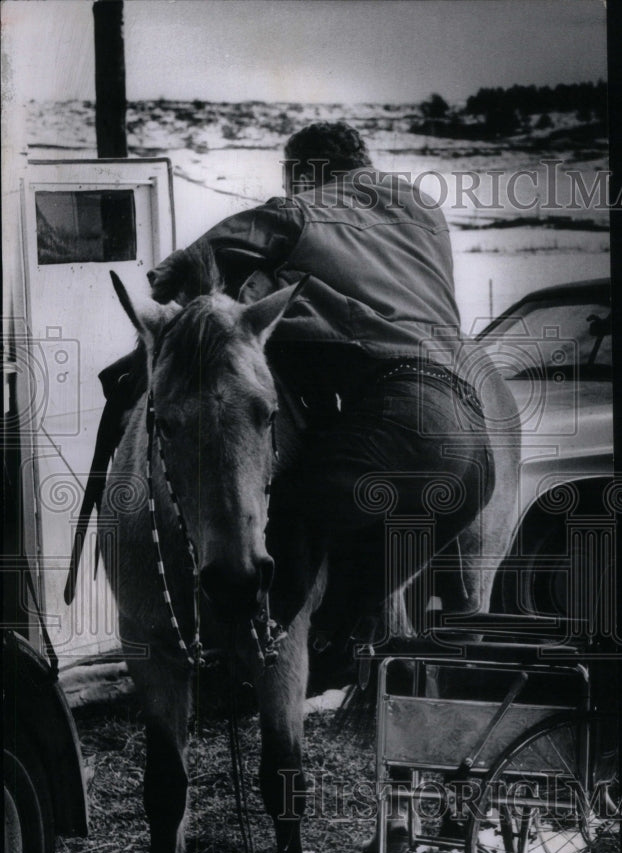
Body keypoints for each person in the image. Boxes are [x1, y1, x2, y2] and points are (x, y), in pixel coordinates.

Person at [94, 121, 495, 669]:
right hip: (473, 440)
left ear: (301, 173)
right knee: (355, 576)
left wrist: (168, 287)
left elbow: (211, 249)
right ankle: (336, 652)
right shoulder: (421, 209)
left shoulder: (300, 209)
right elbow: (375, 299)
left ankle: (248, 657)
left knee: (297, 516)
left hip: (406, 415)